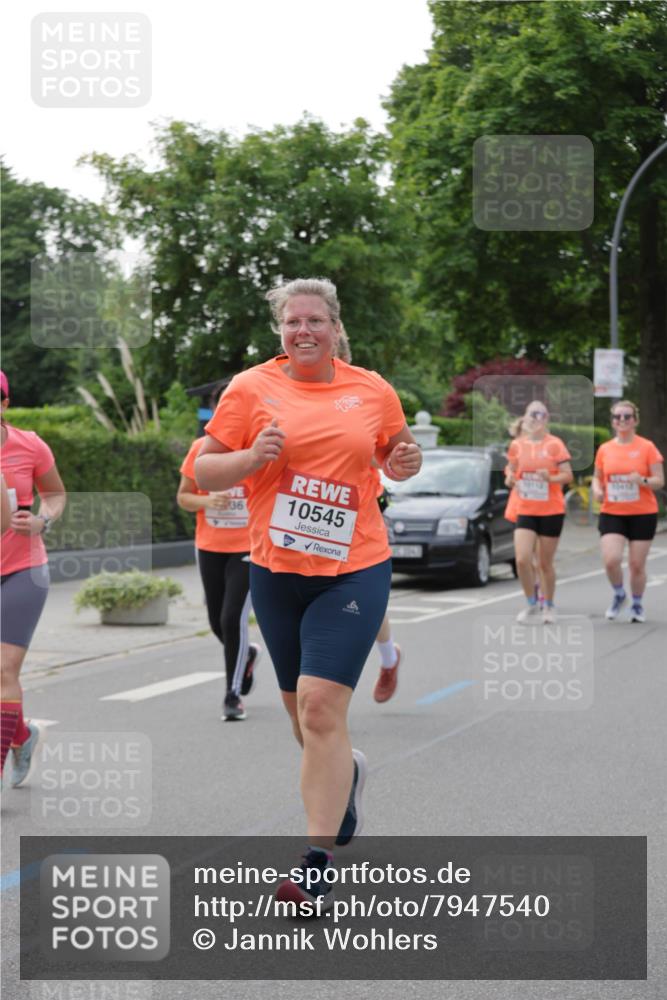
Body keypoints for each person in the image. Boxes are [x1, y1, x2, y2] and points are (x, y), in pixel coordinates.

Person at [195, 278, 421, 908]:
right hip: (277, 571)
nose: (304, 331)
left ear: (335, 327)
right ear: (280, 330)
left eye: (315, 321)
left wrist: (406, 462)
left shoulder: (371, 389)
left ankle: (315, 863)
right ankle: (346, 778)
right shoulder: (249, 389)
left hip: (354, 566)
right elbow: (203, 468)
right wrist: (248, 460)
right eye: (293, 322)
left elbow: (399, 451)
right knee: (304, 721)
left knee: (322, 709)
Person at [1, 371, 67, 786]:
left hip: (23, 569)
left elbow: (56, 493)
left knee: (4, 667)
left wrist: (43, 519)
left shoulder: (29, 445)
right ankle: (22, 737)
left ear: (4, 403)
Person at [335, 325, 401, 703]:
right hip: (305, 526)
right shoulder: (290, 394)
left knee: (363, 603)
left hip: (361, 514)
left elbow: (392, 452)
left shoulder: (364, 394)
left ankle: (388, 658)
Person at [177, 424, 260, 721]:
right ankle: (246, 654)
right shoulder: (201, 449)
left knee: (231, 618)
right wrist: (207, 500)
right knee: (216, 622)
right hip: (210, 546)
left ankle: (232, 695)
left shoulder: (257, 452)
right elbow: (184, 497)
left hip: (248, 547)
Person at [592, 400, 664, 622]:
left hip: (642, 512)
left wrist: (641, 480)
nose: (622, 420)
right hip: (612, 511)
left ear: (635, 420)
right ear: (612, 421)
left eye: (627, 416)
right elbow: (597, 476)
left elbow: (659, 481)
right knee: (611, 560)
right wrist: (596, 489)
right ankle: (619, 593)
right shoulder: (605, 449)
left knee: (636, 564)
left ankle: (637, 605)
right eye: (617, 417)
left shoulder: (647, 447)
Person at [506, 401, 573, 624]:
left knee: (544, 563)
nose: (536, 418)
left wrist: (550, 478)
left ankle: (549, 605)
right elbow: (511, 470)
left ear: (547, 419)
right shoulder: (517, 445)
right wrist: (510, 477)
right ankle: (531, 602)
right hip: (526, 508)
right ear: (525, 418)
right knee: (522, 559)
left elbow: (568, 475)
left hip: (551, 510)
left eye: (541, 414)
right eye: (532, 414)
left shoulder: (555, 444)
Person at [504, 416, 544, 604]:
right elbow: (509, 475)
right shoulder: (515, 450)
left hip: (544, 509)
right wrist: (511, 479)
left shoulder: (545, 448)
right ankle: (533, 589)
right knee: (524, 556)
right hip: (520, 507)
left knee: (539, 557)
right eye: (520, 434)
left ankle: (542, 589)